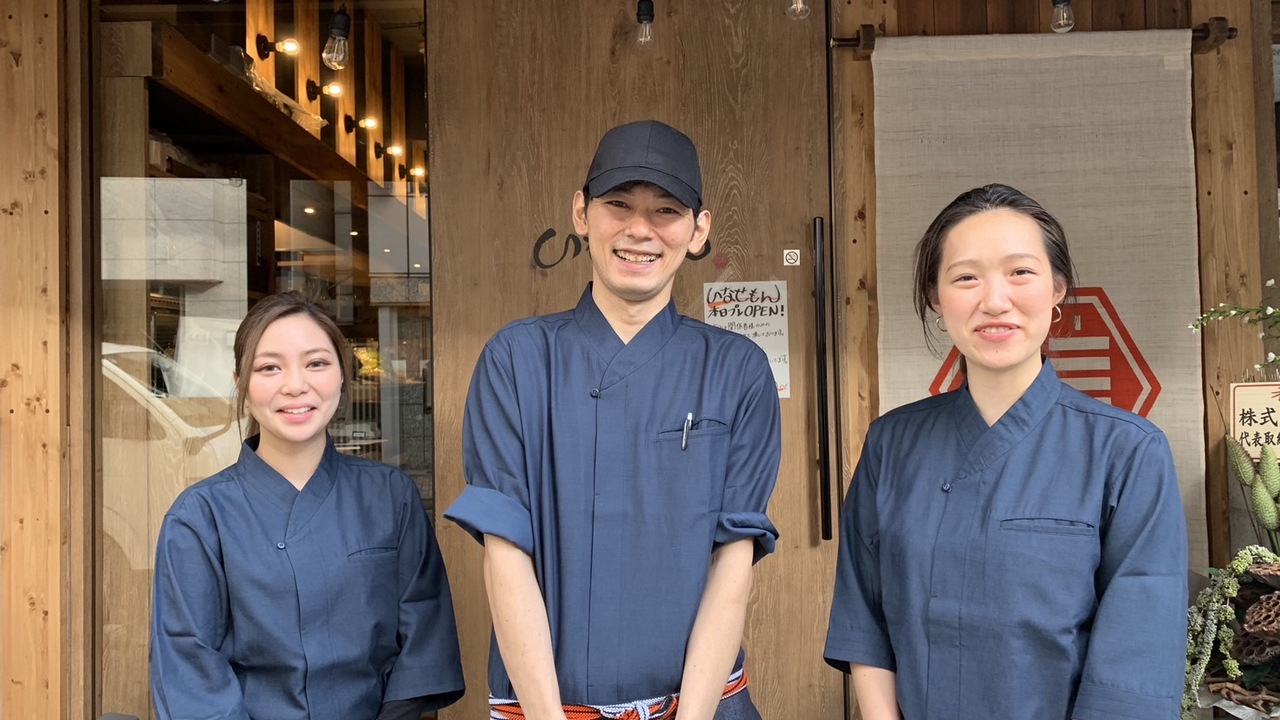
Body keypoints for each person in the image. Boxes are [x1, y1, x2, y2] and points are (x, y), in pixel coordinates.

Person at [444, 119, 782, 720]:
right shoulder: (517, 359)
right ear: (581, 213)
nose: (639, 231)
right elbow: (504, 551)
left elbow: (734, 561)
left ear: (698, 230)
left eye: (667, 211)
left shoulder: (737, 370)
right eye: (618, 204)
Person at [824, 184, 1188, 719]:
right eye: (966, 277)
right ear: (935, 296)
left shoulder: (1127, 451)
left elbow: (1136, 659)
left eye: (1020, 272)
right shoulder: (891, 444)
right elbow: (864, 618)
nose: (994, 300)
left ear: (1058, 288)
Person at [150, 291, 465, 720]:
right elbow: (190, 667)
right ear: (241, 384)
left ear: (341, 376)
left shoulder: (390, 496)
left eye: (316, 363)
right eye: (268, 367)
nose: (295, 384)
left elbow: (424, 642)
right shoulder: (199, 518)